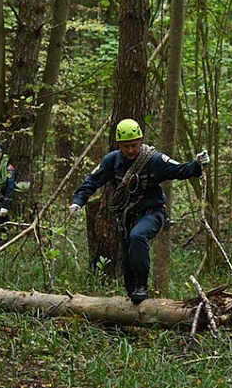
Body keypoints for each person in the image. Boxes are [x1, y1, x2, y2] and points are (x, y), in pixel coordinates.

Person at [69, 118, 210, 303]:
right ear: (119, 144)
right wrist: (78, 201)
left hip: (153, 212)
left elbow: (181, 170)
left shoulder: (154, 160)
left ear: (141, 141)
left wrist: (198, 164)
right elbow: (92, 181)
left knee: (138, 236)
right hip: (127, 218)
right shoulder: (112, 161)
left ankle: (142, 285)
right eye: (126, 146)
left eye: (134, 145)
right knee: (128, 262)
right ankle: (133, 303)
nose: (130, 150)